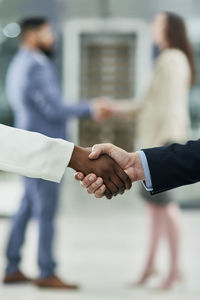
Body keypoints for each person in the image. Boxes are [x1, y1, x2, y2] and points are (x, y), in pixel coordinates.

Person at [3, 16, 116, 289]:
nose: (52, 36)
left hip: (28, 146)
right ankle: (46, 271)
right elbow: (54, 108)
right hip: (44, 148)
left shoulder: (20, 63)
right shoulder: (35, 66)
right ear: (31, 36)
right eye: (47, 32)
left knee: (27, 206)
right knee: (45, 211)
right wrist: (90, 108)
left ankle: (12, 265)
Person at [91, 12, 195, 289]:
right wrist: (115, 108)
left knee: (167, 208)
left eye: (157, 23)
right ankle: (151, 265)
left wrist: (157, 151)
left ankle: (173, 270)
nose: (152, 28)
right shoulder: (170, 57)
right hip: (158, 142)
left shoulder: (172, 58)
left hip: (163, 141)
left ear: (169, 28)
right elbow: (148, 104)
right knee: (155, 210)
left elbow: (165, 106)